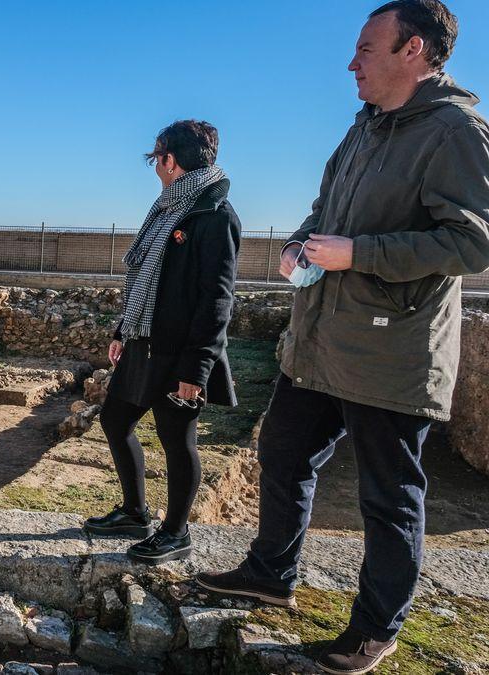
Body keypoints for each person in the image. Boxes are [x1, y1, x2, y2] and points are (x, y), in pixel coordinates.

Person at [193, 2, 489, 673]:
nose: (350, 63)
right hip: (325, 339)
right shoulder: (365, 128)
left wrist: (359, 252)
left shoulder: (456, 131)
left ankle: (374, 629)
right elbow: (326, 211)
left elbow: (472, 243)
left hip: (392, 351)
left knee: (388, 497)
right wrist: (302, 243)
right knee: (284, 448)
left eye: (364, 49)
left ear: (412, 50)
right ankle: (270, 572)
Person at [84, 120, 242, 564]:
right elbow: (145, 280)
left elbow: (217, 298)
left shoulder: (214, 215)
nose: (154, 165)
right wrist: (123, 329)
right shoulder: (166, 208)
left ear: (171, 161)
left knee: (177, 440)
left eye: (156, 157)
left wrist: (197, 369)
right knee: (116, 420)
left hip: (178, 353)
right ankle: (136, 512)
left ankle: (176, 533)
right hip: (144, 342)